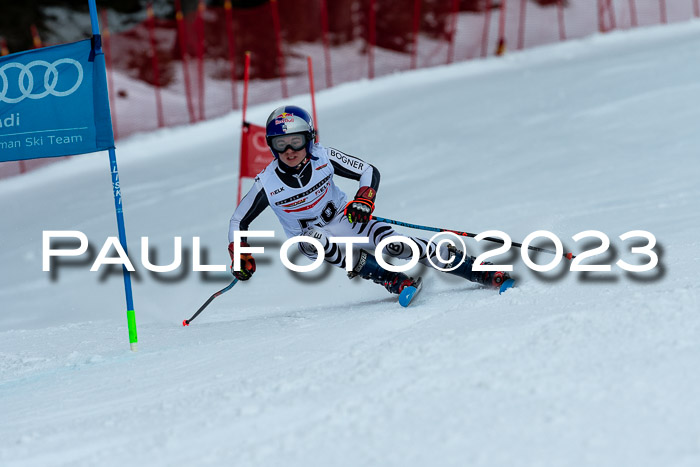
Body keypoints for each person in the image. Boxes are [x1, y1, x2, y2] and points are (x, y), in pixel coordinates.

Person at [228, 105, 510, 297]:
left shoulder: (323, 157)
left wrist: (364, 199)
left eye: (296, 141)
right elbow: (239, 219)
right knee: (316, 238)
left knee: (400, 245)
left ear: (309, 139)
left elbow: (367, 170)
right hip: (308, 239)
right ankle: (388, 277)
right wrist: (240, 254)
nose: (289, 151)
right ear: (271, 145)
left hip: (345, 219)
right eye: (280, 144)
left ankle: (475, 270)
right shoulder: (267, 182)